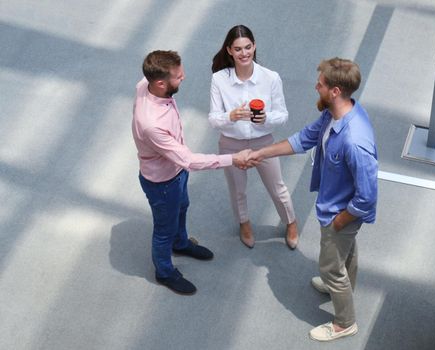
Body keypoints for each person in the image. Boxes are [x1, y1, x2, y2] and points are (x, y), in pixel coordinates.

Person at [249, 57, 378, 341]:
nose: (315, 85)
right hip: (336, 206)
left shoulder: (355, 140)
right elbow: (303, 139)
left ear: (334, 91)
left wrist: (340, 219)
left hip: (339, 212)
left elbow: (367, 197)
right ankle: (341, 288)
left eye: (320, 83)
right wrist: (261, 153)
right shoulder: (334, 115)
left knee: (331, 266)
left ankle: (345, 322)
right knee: (346, 253)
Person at [132, 50, 251, 295]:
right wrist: (233, 158)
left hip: (174, 173)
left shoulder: (145, 84)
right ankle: (164, 272)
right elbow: (189, 160)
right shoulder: (152, 124)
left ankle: (181, 243)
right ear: (161, 83)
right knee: (163, 230)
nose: (184, 77)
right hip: (162, 182)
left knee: (183, 206)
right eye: (178, 76)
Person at [209, 24, 298, 249]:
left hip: (263, 143)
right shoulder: (219, 79)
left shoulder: (271, 78)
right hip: (231, 145)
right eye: (238, 49)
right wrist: (231, 116)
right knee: (237, 190)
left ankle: (291, 222)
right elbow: (213, 119)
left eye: (248, 47)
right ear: (229, 50)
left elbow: (283, 115)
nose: (244, 53)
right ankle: (244, 223)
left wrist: (265, 118)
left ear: (254, 46)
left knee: (278, 187)